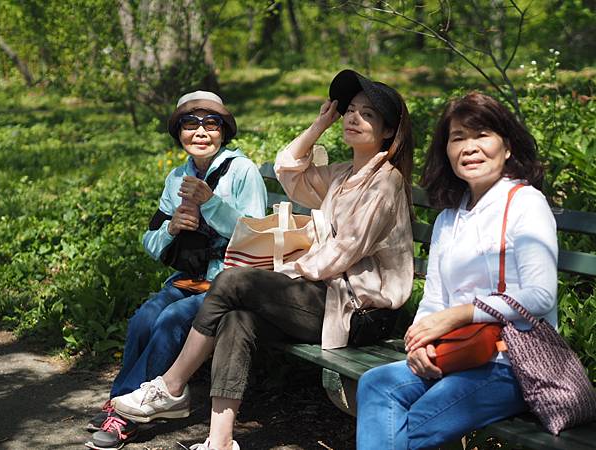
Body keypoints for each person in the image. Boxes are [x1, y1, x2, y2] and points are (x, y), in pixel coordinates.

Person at [110, 69, 415, 450]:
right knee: (237, 317)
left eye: (367, 114)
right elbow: (288, 167)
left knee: (234, 281)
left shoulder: (385, 182)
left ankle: (171, 386)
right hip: (328, 297)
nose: (352, 118)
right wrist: (321, 123)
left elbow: (342, 253)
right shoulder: (343, 174)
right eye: (349, 111)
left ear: (388, 131)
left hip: (361, 312)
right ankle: (219, 442)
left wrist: (282, 271)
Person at [356, 92, 558, 450]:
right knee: (376, 383)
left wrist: (460, 314)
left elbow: (541, 296)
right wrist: (418, 342)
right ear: (446, 152)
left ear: (507, 147)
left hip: (509, 363)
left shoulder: (525, 203)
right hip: (455, 353)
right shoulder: (449, 216)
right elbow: (434, 297)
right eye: (458, 138)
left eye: (482, 135)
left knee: (410, 423)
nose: (469, 147)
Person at [85, 91, 267, 450]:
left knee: (171, 321)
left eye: (211, 123)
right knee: (145, 317)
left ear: (224, 131)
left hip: (227, 283)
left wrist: (210, 204)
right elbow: (150, 241)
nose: (201, 132)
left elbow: (256, 237)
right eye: (190, 123)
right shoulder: (175, 178)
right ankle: (121, 402)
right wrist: (171, 228)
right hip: (187, 277)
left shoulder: (242, 171)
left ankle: (124, 418)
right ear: (178, 132)